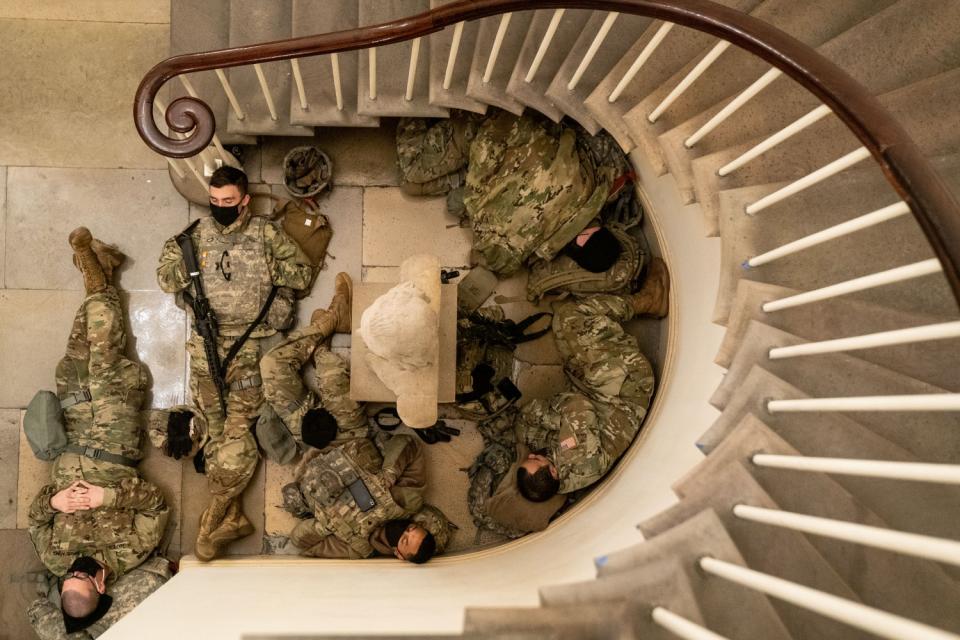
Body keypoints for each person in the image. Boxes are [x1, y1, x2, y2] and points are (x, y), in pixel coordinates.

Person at [155, 166, 313, 561]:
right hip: (208, 345)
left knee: (236, 439)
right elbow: (165, 277)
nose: (221, 208)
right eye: (215, 201)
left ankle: (216, 519)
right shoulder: (193, 238)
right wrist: (191, 270)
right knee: (210, 434)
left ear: (244, 200)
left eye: (229, 202)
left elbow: (302, 274)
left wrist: (264, 269)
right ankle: (232, 516)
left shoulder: (266, 233)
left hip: (250, 348)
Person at [27, 227, 169, 634]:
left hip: (70, 430)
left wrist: (54, 503)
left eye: (70, 575)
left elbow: (36, 518)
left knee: (75, 354)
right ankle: (93, 270)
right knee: (104, 350)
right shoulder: (130, 552)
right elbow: (156, 505)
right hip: (113, 436)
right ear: (102, 586)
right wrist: (109, 495)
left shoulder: (55, 558)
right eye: (84, 576)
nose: (77, 568)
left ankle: (100, 274)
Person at [258, 273, 451, 562]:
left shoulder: (355, 547)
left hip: (310, 447)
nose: (407, 530)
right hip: (350, 433)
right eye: (413, 529)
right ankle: (328, 330)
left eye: (407, 540)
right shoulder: (403, 501)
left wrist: (324, 524)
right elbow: (409, 447)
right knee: (332, 372)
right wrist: (388, 475)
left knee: (271, 365)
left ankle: (326, 328)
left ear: (400, 554)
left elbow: (302, 542)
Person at [470, 259, 669, 533]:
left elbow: (537, 430)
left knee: (561, 326)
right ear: (551, 471)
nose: (534, 456)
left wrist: (542, 422)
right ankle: (648, 301)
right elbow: (575, 406)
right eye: (536, 460)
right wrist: (544, 414)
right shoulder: (575, 456)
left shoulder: (556, 469)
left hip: (598, 396)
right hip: (626, 387)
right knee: (573, 316)